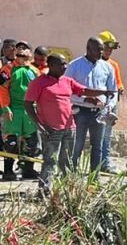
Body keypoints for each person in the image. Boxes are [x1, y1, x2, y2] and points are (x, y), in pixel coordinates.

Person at [24, 54, 113, 192]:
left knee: (66, 161)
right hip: (50, 129)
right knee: (50, 161)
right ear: (51, 65)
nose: (65, 67)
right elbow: (28, 104)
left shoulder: (67, 81)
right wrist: (39, 125)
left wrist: (104, 92)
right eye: (62, 64)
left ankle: (65, 190)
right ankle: (44, 191)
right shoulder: (39, 82)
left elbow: (83, 90)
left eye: (65, 64)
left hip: (69, 128)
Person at [64, 36, 116, 172]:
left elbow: (113, 91)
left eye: (102, 50)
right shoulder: (74, 66)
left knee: (97, 146)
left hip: (100, 113)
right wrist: (85, 99)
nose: (100, 53)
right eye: (97, 50)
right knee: (77, 145)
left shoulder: (107, 67)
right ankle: (70, 175)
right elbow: (66, 90)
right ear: (88, 49)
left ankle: (94, 178)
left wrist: (109, 107)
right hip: (79, 111)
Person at [0, 42, 41, 180]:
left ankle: (28, 170)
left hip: (30, 111)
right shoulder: (7, 69)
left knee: (31, 142)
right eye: (19, 47)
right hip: (13, 110)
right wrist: (5, 108)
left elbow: (41, 91)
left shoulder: (35, 71)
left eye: (25, 48)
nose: (22, 50)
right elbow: (2, 90)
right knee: (10, 142)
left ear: (30, 53)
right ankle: (8, 171)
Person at [98, 31, 123, 174]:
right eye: (107, 48)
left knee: (106, 136)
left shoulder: (113, 65)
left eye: (111, 49)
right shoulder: (91, 63)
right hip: (96, 104)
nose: (109, 51)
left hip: (110, 104)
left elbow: (118, 85)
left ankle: (105, 163)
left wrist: (119, 90)